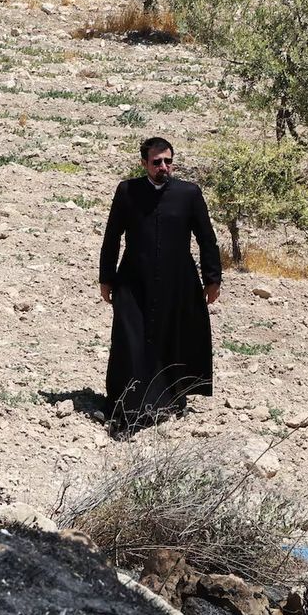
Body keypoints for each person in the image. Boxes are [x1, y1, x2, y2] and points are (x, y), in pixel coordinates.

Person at [98, 136, 222, 431]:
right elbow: (112, 236)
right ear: (144, 164)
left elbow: (207, 238)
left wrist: (212, 278)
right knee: (130, 340)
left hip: (177, 283)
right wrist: (106, 277)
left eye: (168, 161)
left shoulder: (189, 194)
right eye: (157, 162)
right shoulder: (127, 192)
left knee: (172, 338)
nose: (163, 167)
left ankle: (170, 398)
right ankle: (125, 401)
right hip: (133, 281)